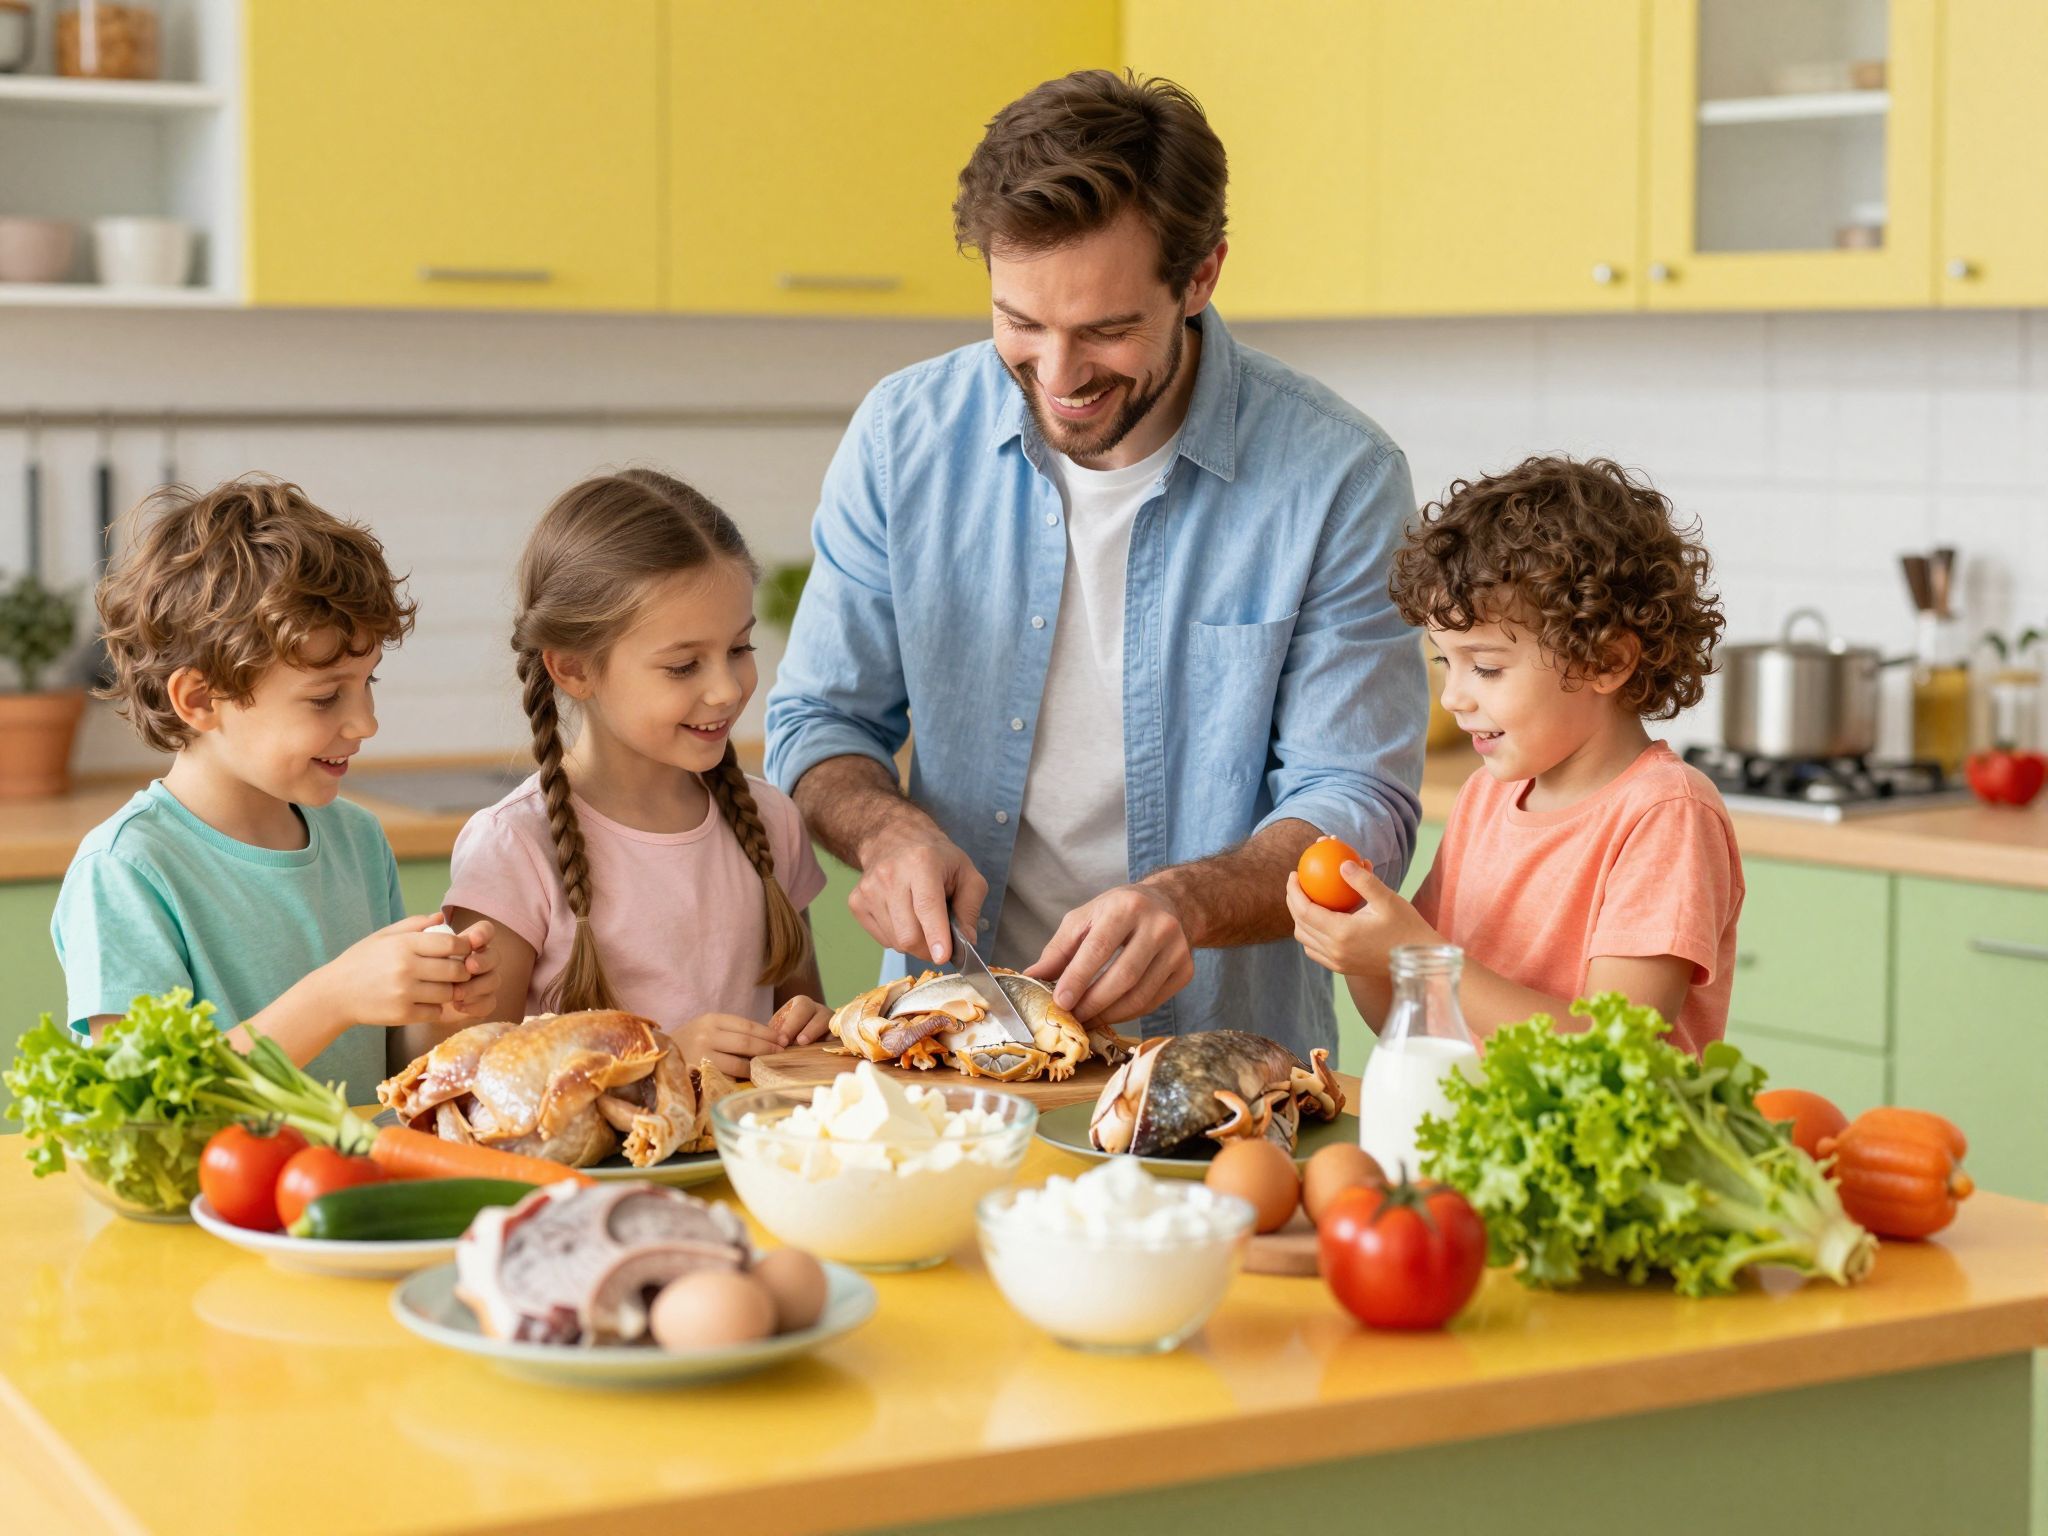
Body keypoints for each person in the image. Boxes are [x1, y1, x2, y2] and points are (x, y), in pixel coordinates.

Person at [765, 70, 1424, 1062]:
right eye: (1019, 323)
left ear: (1200, 277)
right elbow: (818, 722)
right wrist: (888, 835)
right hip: (945, 1056)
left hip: (1218, 1065)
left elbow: (1355, 806)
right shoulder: (903, 438)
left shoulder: (1337, 477)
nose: (1059, 375)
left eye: (1106, 331)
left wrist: (1185, 904)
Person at [52, 476, 498, 1105]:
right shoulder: (127, 869)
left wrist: (438, 1009)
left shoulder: (358, 840)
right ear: (202, 699)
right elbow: (139, 1098)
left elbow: (388, 1061)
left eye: (368, 682)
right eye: (324, 697)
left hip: (339, 1189)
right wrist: (334, 996)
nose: (366, 723)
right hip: (200, 1201)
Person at [1288, 455, 1742, 1054]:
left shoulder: (1665, 815)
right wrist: (1360, 946)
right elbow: (1417, 1021)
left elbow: (1613, 1051)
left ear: (1605, 660)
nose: (1452, 697)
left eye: (1487, 668)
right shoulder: (1487, 797)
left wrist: (1415, 954)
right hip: (1473, 1143)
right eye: (1446, 662)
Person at [443, 469, 831, 1081]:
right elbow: (465, 1082)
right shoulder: (512, 850)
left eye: (739, 649)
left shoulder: (771, 821)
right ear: (573, 669)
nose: (727, 689)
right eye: (683, 666)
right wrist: (656, 1059)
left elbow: (799, 1025)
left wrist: (813, 1031)